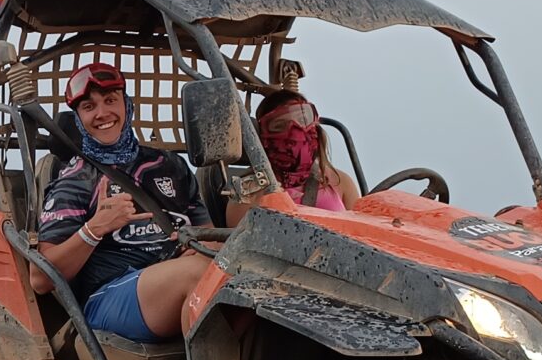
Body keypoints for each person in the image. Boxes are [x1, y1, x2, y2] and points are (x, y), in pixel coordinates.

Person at [31, 62, 213, 343]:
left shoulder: (170, 165)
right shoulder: (76, 180)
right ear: (78, 118)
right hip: (108, 296)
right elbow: (40, 280)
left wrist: (200, 248)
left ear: (127, 105)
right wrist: (94, 229)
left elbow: (210, 237)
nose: (102, 113)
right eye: (89, 107)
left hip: (174, 276)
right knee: (199, 275)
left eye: (110, 100)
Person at [239, 90, 360, 220]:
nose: (295, 132)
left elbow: (365, 231)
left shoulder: (339, 182)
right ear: (261, 136)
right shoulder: (248, 191)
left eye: (303, 120)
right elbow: (234, 234)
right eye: (280, 126)